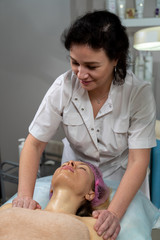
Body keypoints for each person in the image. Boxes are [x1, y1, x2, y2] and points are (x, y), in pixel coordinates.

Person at [12, 10, 156, 240]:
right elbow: (34, 144)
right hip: (74, 179)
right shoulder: (63, 87)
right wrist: (24, 198)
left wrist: (113, 213)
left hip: (120, 178)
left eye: (92, 66)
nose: (81, 74)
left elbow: (139, 159)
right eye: (74, 62)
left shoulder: (137, 94)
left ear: (116, 58)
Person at [0, 161, 111, 240]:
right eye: (64, 164)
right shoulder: (14, 207)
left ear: (90, 194)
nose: (70, 163)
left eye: (82, 168)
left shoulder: (95, 226)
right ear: (51, 188)